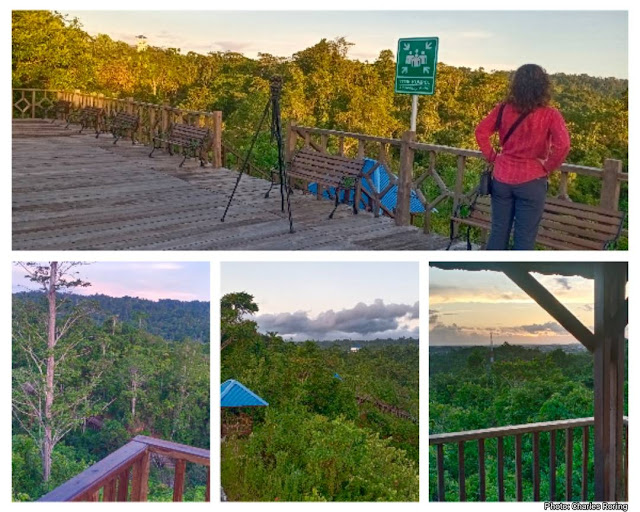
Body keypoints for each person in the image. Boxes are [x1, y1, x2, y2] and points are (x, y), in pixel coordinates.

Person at [475, 64, 571, 250]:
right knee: (525, 237)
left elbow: (481, 131)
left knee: (498, 231)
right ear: (543, 86)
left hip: (502, 178)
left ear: (516, 85)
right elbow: (563, 145)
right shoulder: (550, 115)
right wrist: (547, 166)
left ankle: (492, 271)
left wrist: (493, 157)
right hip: (532, 180)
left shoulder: (504, 109)